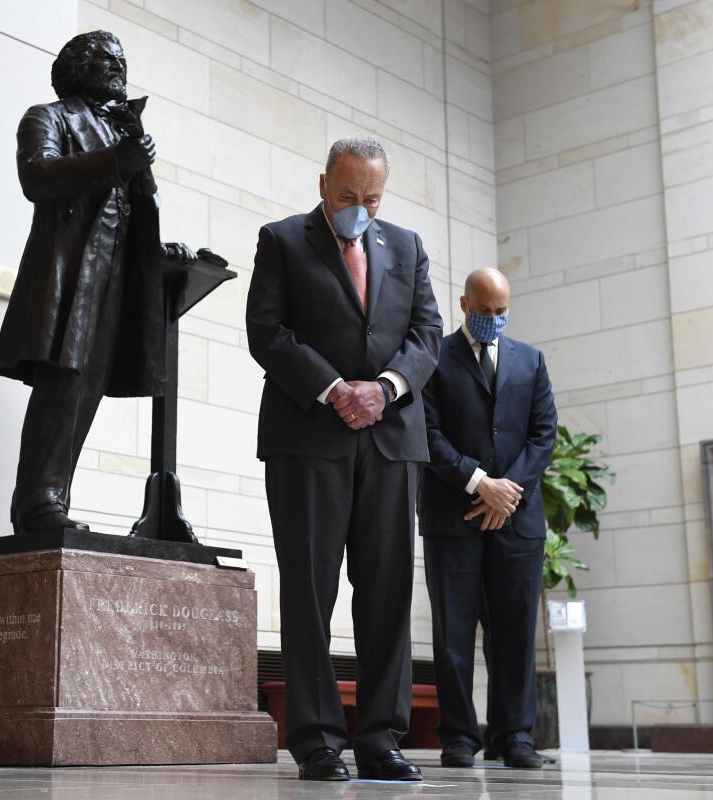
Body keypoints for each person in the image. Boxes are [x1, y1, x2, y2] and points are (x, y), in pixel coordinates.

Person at [245, 135, 442, 781]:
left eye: (373, 198)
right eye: (349, 195)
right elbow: (267, 332)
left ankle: (382, 738)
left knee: (386, 591)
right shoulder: (282, 240)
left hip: (390, 440)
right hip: (309, 437)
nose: (361, 207)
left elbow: (426, 333)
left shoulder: (406, 246)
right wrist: (335, 389)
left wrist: (384, 388)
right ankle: (317, 740)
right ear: (324, 183)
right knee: (310, 591)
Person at [0, 30, 199, 534]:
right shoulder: (50, 116)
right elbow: (37, 176)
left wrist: (158, 246)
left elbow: (129, 209)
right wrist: (114, 162)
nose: (118, 68)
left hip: (116, 282)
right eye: (108, 59)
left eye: (122, 61)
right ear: (78, 65)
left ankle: (55, 497)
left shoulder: (120, 129)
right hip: (71, 278)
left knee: (86, 392)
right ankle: (37, 501)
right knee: (61, 387)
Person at [419, 267, 558, 769]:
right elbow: (428, 436)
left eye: (501, 312)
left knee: (516, 629)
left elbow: (544, 435)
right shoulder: (434, 358)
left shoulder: (532, 360)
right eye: (484, 312)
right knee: (453, 631)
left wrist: (508, 494)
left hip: (517, 521)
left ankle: (516, 737)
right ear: (463, 305)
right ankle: (459, 737)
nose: (493, 321)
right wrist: (482, 484)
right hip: (453, 515)